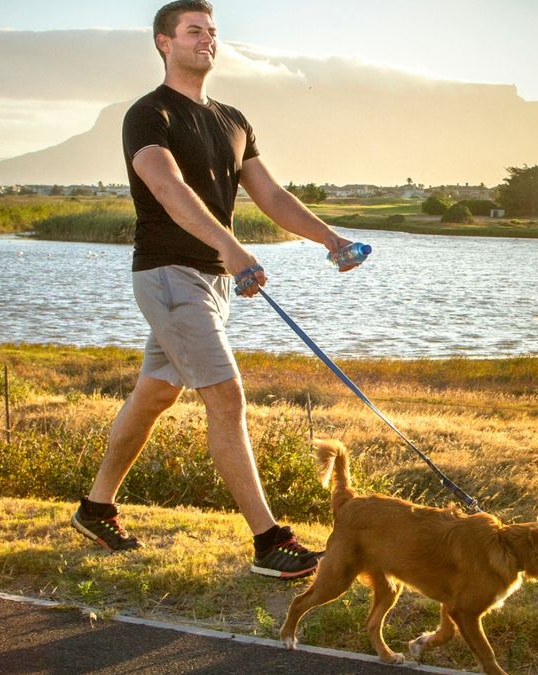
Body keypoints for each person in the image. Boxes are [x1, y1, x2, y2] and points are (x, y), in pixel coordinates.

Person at [71, 0, 359, 580]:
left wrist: (330, 239)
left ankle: (95, 509)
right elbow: (168, 187)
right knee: (226, 398)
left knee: (154, 394)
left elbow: (271, 197)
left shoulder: (232, 119)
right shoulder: (149, 115)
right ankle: (269, 541)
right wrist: (231, 246)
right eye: (193, 31)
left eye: (212, 33)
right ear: (164, 42)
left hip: (211, 282)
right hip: (169, 275)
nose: (206, 41)